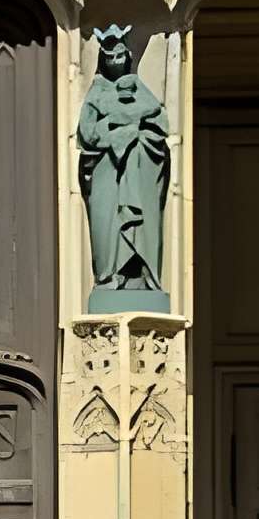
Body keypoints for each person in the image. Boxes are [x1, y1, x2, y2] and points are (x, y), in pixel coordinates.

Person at [77, 26, 170, 310]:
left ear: (127, 56)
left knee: (141, 225)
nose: (115, 62)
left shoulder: (142, 92)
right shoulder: (96, 92)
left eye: (120, 55)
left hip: (137, 174)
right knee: (106, 227)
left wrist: (134, 132)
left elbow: (159, 127)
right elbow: (87, 133)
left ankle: (138, 275)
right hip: (107, 171)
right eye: (109, 56)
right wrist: (116, 130)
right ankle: (108, 277)